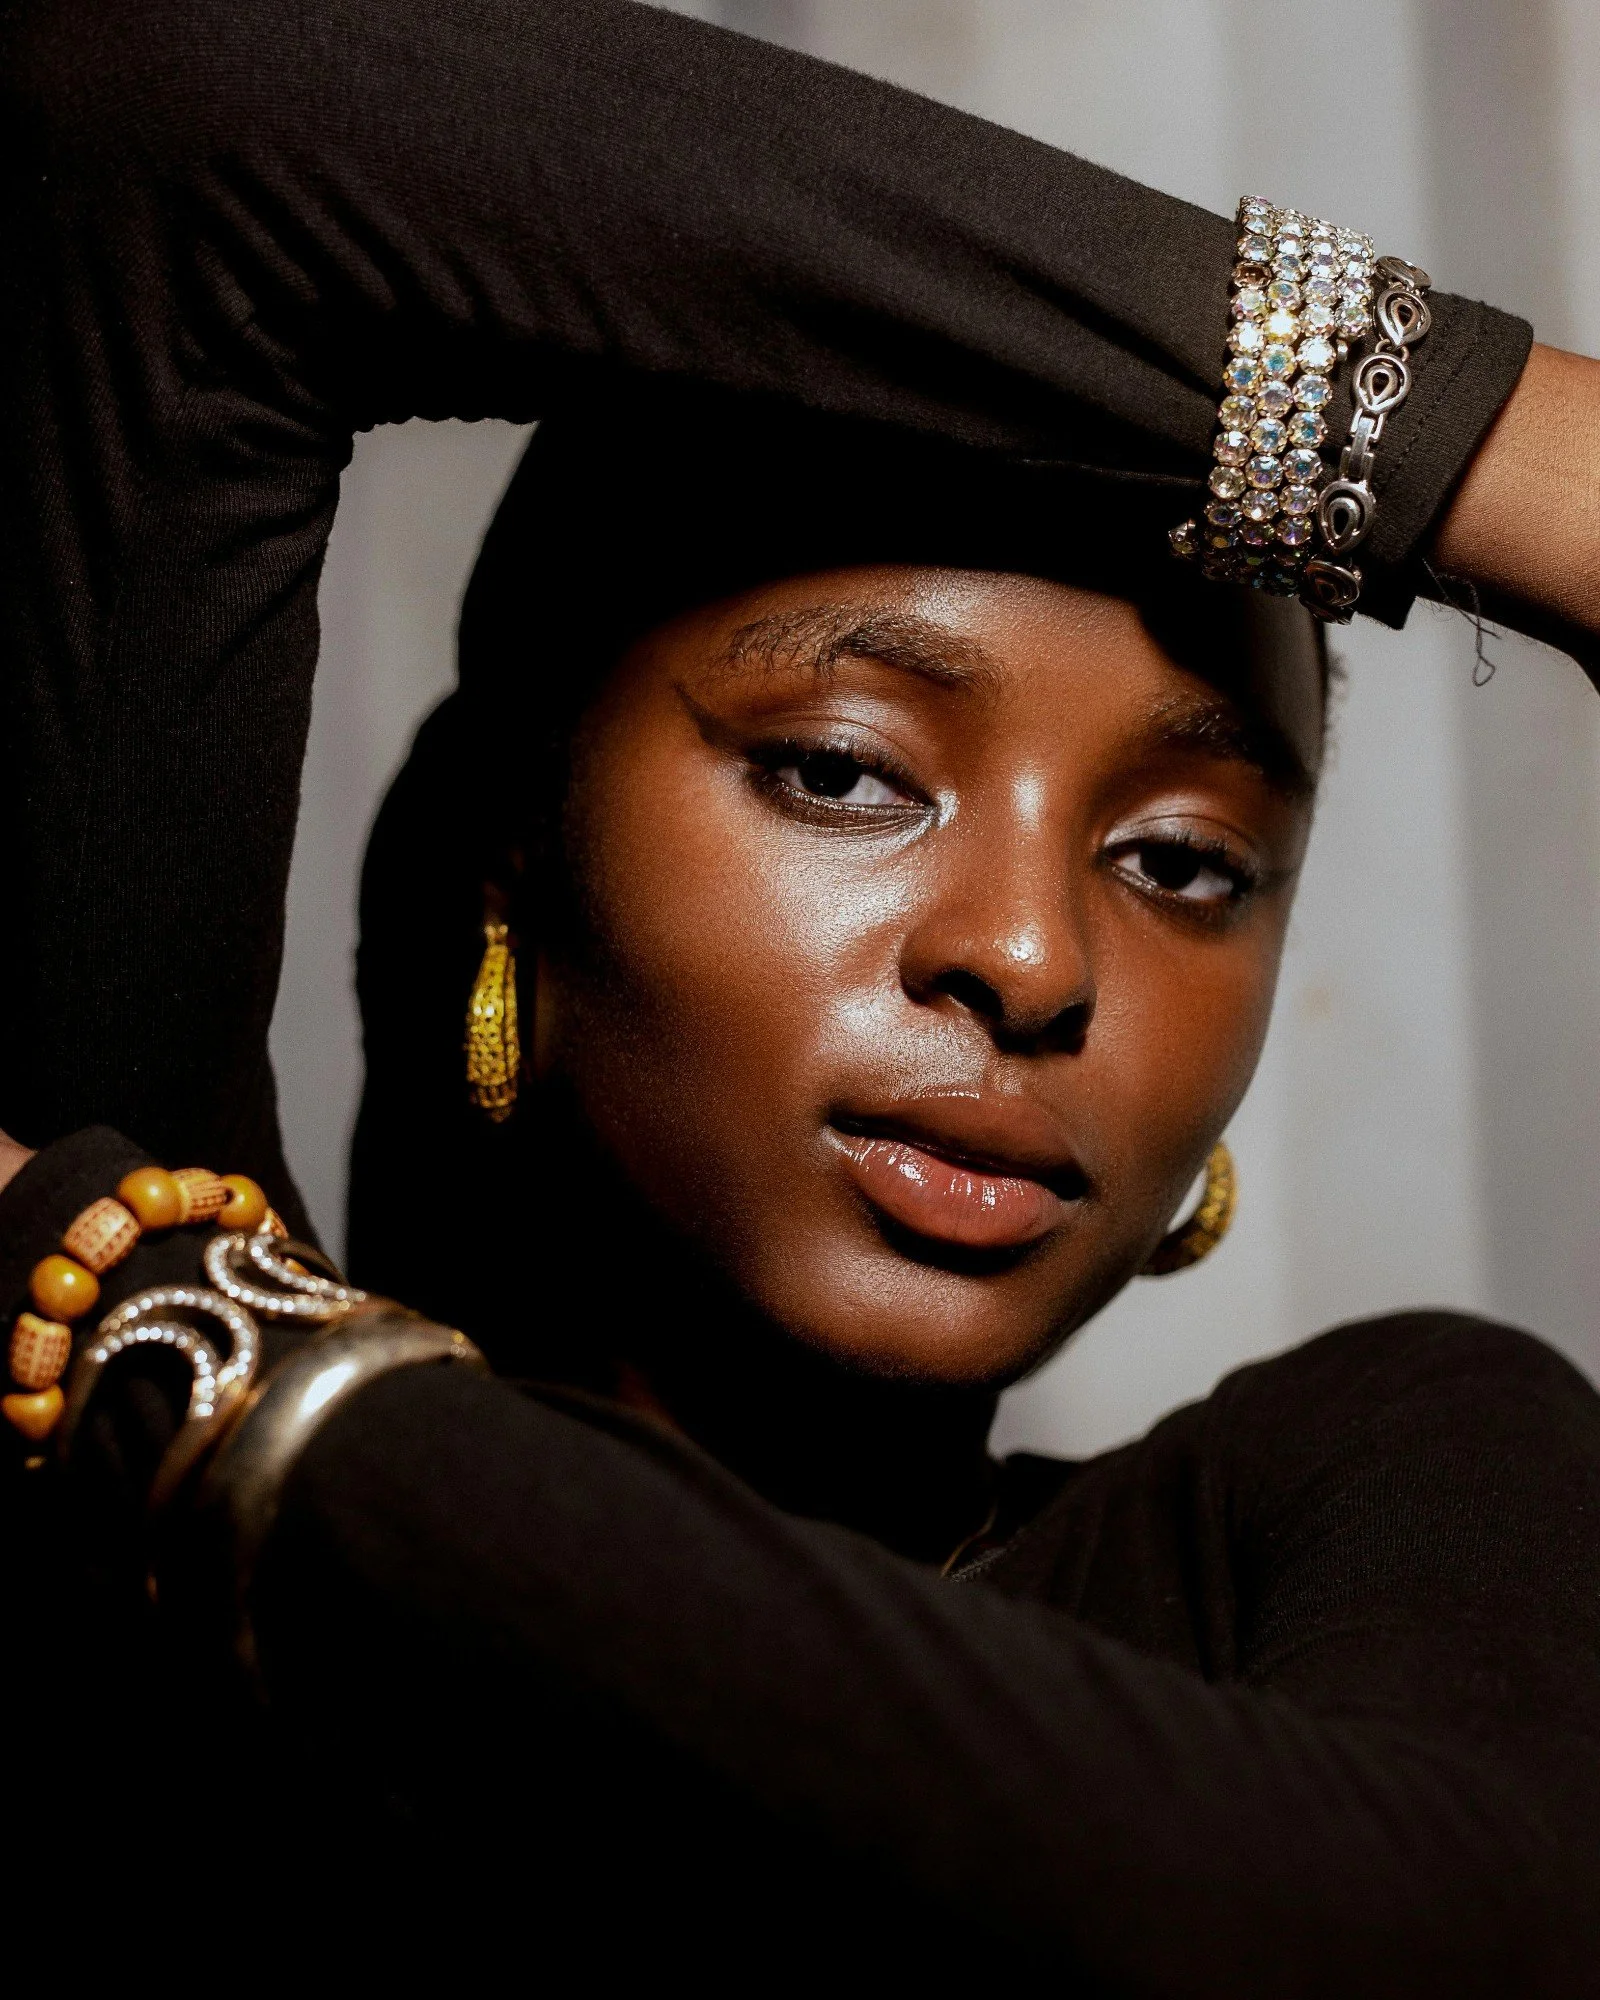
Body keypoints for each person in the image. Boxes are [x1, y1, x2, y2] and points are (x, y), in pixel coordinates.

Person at [2, 2, 1599, 1988]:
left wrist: (167, 1349)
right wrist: (1490, 446)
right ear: (518, 850)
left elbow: (1434, 1944)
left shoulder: (1383, 1483)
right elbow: (185, 129)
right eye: (842, 770)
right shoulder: (156, 1600)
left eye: (1180, 860)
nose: (1026, 960)